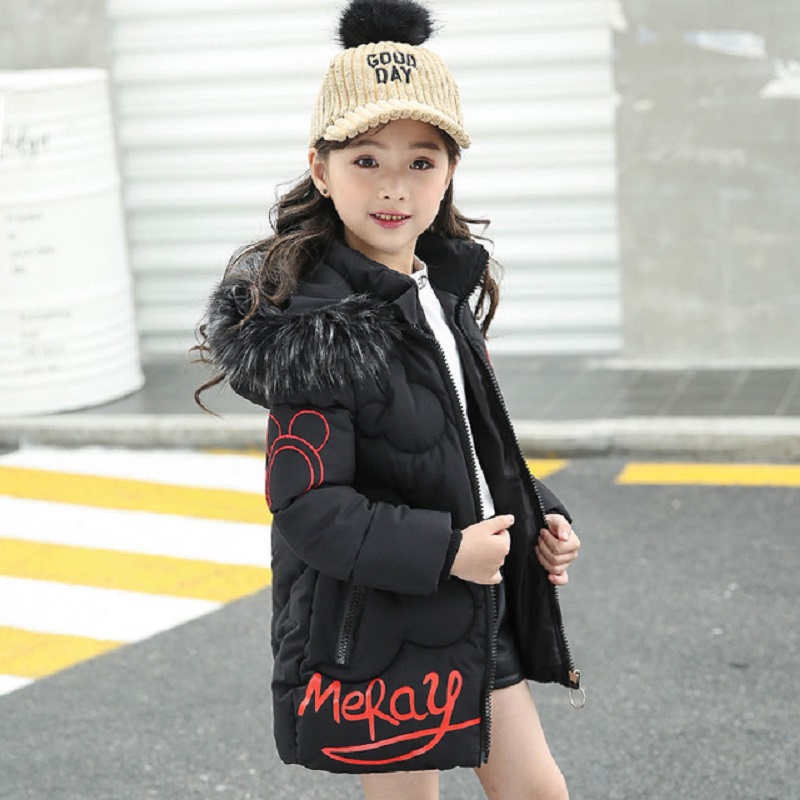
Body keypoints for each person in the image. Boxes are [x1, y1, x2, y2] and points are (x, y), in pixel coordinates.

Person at [195, 1, 583, 797]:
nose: (395, 188)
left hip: (470, 605)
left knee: (537, 790)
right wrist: (447, 552)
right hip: (379, 625)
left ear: (451, 172)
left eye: (422, 161)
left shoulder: (438, 290)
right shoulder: (319, 327)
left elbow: (458, 442)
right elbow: (308, 508)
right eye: (366, 160)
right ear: (320, 167)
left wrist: (540, 513)